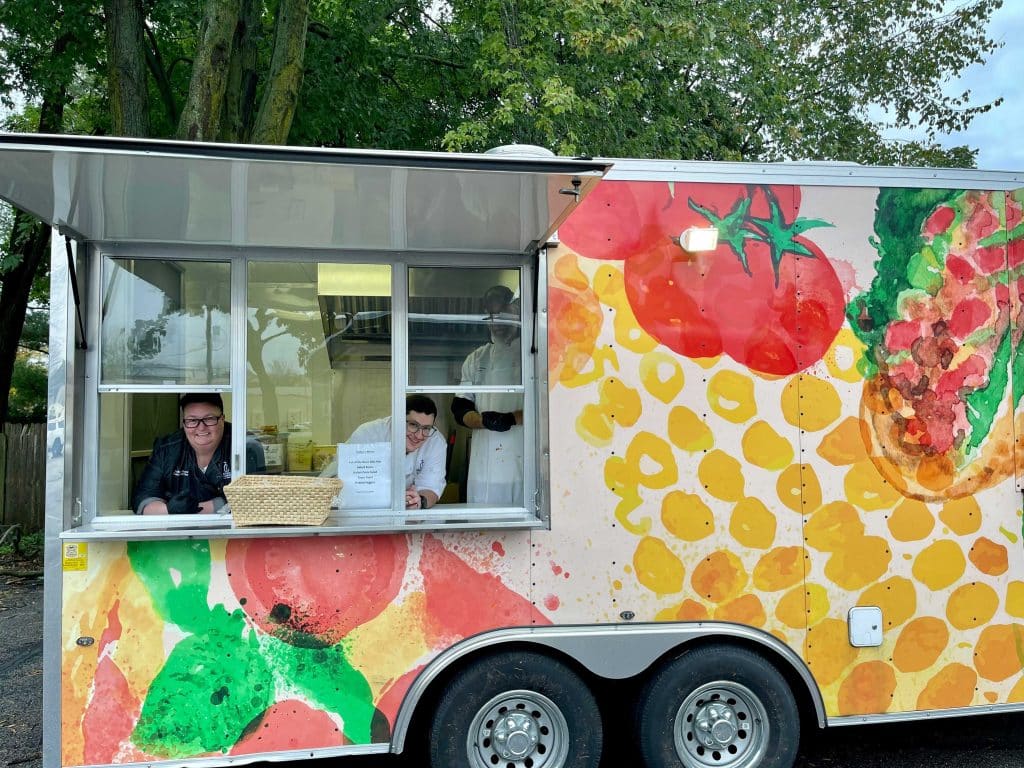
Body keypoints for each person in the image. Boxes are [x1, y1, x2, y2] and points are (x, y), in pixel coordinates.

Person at [451, 285, 523, 505]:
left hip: (522, 456)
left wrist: (510, 419)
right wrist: (483, 420)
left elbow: (547, 408)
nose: (497, 323)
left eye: (502, 314)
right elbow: (460, 407)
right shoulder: (477, 358)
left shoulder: (533, 356)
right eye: (491, 316)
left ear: (516, 312)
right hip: (484, 463)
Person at [323, 394, 446, 510]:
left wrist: (419, 501)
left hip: (404, 517)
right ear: (397, 419)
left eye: (426, 428)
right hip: (361, 512)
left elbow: (431, 487)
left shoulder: (435, 442)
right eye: (413, 425)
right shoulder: (369, 433)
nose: (419, 436)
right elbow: (332, 481)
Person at [133, 393, 232, 515]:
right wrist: (169, 510)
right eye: (192, 420)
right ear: (184, 423)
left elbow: (255, 499)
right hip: (176, 530)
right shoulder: (167, 449)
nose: (201, 427)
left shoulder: (244, 446)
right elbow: (143, 497)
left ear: (222, 420)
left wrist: (195, 509)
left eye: (209, 419)